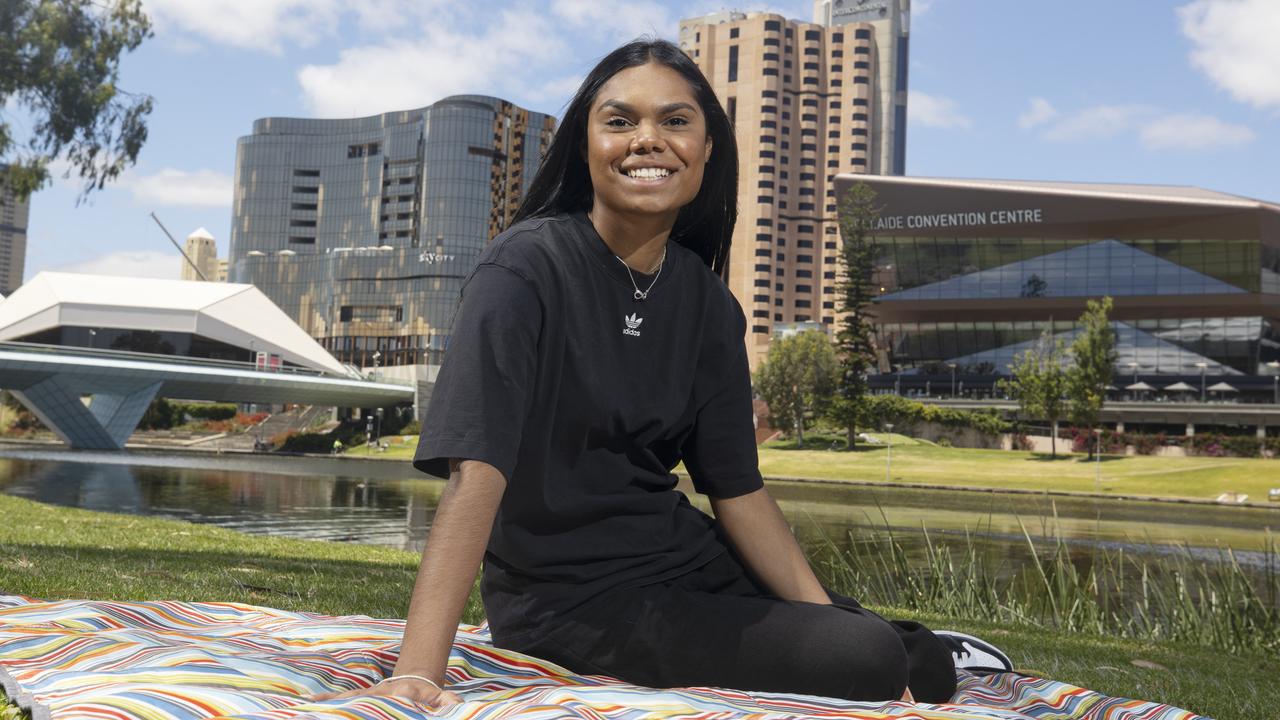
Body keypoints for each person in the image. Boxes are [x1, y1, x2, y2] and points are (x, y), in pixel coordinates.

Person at [314, 39, 1010, 709]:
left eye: (675, 121)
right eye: (620, 121)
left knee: (893, 652)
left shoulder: (709, 307)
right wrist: (416, 673)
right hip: (565, 599)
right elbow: (479, 470)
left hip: (679, 558)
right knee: (865, 656)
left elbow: (738, 491)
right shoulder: (523, 270)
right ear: (587, 147)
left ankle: (906, 647)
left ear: (707, 149)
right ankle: (882, 648)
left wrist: (827, 616)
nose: (647, 139)